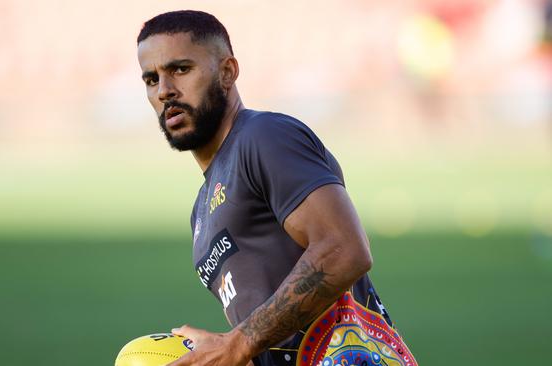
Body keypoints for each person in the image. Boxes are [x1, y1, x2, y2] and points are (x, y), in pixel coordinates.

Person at [136, 10, 418, 366]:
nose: (164, 91)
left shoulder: (263, 137)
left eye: (180, 69)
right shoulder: (201, 211)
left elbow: (345, 249)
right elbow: (273, 337)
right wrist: (226, 353)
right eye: (151, 78)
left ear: (227, 72)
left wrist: (236, 345)